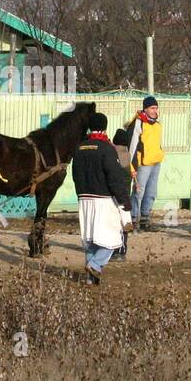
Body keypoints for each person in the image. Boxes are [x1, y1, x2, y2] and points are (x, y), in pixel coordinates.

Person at [73, 112, 133, 285]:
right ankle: (95, 264)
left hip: (84, 199)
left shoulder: (80, 147)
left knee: (91, 240)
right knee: (113, 239)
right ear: (105, 126)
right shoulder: (107, 148)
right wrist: (124, 200)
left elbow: (75, 175)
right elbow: (114, 178)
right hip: (104, 200)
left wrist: (80, 194)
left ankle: (91, 279)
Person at [127, 95, 165, 231]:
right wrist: (132, 166)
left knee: (151, 192)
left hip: (156, 162)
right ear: (146, 109)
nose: (156, 111)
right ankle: (132, 220)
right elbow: (131, 146)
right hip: (143, 164)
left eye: (156, 108)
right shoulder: (138, 123)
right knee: (138, 192)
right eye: (152, 108)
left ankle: (145, 219)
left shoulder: (158, 125)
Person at [110, 125, 136, 260]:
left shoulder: (117, 154)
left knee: (119, 224)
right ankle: (121, 250)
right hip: (125, 196)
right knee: (123, 223)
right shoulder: (126, 154)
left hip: (118, 196)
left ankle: (119, 251)